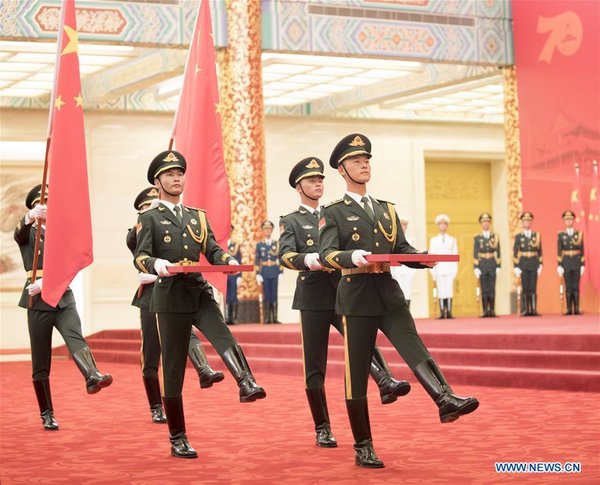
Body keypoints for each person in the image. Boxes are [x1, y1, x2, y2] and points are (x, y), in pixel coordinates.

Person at [319, 134, 478, 468]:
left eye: (367, 160)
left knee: (413, 345)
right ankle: (363, 446)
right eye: (357, 161)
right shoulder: (332, 212)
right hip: (356, 295)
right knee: (357, 372)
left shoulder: (385, 209)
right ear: (342, 169)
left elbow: (401, 249)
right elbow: (327, 254)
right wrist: (352, 255)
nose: (364, 164)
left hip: (388, 292)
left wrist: (422, 258)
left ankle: (444, 398)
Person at [134, 150, 266, 459]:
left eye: (180, 173)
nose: (177, 178)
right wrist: (156, 265)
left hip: (198, 289)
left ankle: (246, 382)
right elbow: (140, 256)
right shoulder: (149, 217)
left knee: (223, 335)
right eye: (170, 175)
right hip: (169, 297)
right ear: (158, 182)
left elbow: (212, 248)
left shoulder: (197, 216)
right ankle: (177, 436)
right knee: (175, 367)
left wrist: (228, 260)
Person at [279, 157, 411, 448]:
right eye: (312, 180)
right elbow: (286, 256)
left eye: (321, 179)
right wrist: (310, 260)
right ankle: (322, 426)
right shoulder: (291, 220)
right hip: (313, 297)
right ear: (299, 187)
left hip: (343, 290)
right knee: (315, 364)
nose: (318, 184)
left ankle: (385, 380)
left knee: (362, 343)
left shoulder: (336, 210)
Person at [15, 184, 113, 431]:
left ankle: (92, 375)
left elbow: (71, 264)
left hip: (62, 295)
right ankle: (46, 413)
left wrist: (51, 281)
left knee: (74, 336)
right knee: (41, 360)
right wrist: (29, 218)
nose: (46, 205)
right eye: (41, 202)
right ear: (34, 206)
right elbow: (17, 233)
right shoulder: (29, 232)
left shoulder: (61, 232)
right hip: (37, 300)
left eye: (49, 201)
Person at [127, 187, 224, 423]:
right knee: (151, 354)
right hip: (151, 296)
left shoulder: (168, 221)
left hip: (175, 293)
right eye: (146, 206)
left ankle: (203, 369)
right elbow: (135, 246)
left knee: (187, 332)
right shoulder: (142, 227)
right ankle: (155, 405)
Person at [513, 211, 542, 316]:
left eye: (529, 220)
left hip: (533, 263)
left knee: (533, 287)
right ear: (522, 222)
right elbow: (515, 252)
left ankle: (533, 309)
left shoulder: (537, 235)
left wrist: (540, 264)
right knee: (525, 287)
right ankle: (525, 309)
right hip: (523, 263)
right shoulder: (519, 237)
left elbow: (540, 251)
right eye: (525, 220)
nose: (527, 222)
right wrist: (516, 266)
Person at [429, 214, 458, 318]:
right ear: (438, 226)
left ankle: (449, 311)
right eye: (440, 224)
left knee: (449, 290)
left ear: (447, 226)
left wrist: (455, 270)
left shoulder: (452, 240)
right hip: (439, 269)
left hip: (449, 269)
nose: (442, 226)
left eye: (444, 224)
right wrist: (432, 271)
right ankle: (442, 312)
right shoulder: (433, 240)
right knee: (441, 290)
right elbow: (431, 256)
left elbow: (455, 255)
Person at [473, 212, 501, 317]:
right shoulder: (477, 238)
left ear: (490, 223)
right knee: (484, 288)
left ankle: (492, 310)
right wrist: (476, 267)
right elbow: (475, 252)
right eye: (484, 222)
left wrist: (498, 266)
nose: (486, 224)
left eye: (487, 222)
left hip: (492, 263)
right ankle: (485, 311)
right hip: (482, 264)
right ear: (481, 224)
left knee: (492, 288)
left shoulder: (495, 236)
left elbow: (498, 251)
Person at [557, 210, 584, 315]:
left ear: (573, 220)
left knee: (576, 286)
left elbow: (582, 250)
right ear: (564, 221)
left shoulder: (579, 234)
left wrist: (582, 264)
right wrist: (559, 265)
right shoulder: (561, 235)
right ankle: (569, 308)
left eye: (570, 219)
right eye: (566, 219)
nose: (568, 221)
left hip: (576, 262)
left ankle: (576, 308)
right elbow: (559, 250)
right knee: (568, 286)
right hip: (566, 262)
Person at [255, 220, 282, 323]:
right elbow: (257, 261)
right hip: (265, 271)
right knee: (266, 294)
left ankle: (274, 318)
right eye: (265, 229)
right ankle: (267, 318)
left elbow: (280, 259)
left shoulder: (276, 244)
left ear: (272, 230)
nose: (267, 231)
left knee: (274, 294)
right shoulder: (259, 245)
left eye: (269, 229)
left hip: (274, 270)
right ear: (263, 230)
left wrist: (281, 273)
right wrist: (258, 274)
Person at [390, 216, 417, 308]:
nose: (403, 227)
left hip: (407, 270)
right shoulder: (393, 241)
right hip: (396, 270)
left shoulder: (411, 240)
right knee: (397, 292)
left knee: (407, 292)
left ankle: (407, 312)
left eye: (404, 225)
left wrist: (412, 272)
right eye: (401, 225)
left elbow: (415, 257)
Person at [225, 227, 242, 324]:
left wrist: (240, 276)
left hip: (234, 274)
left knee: (233, 296)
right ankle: (227, 317)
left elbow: (239, 260)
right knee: (226, 296)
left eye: (230, 231)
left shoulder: (236, 245)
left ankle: (234, 318)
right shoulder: (221, 245)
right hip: (224, 274)